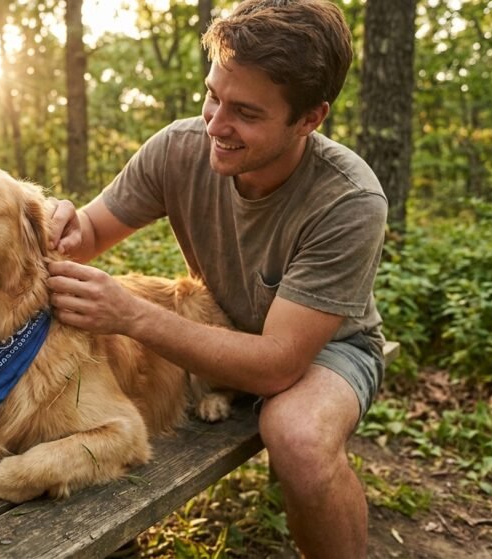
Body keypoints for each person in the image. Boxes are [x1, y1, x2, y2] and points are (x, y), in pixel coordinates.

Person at [45, 1, 388, 557]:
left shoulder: (349, 200)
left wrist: (131, 313)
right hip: (214, 325)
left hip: (325, 350)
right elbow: (86, 234)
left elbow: (278, 364)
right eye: (212, 95)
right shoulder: (180, 147)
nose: (215, 124)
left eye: (246, 113)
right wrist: (61, 219)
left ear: (309, 119)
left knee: (298, 438)